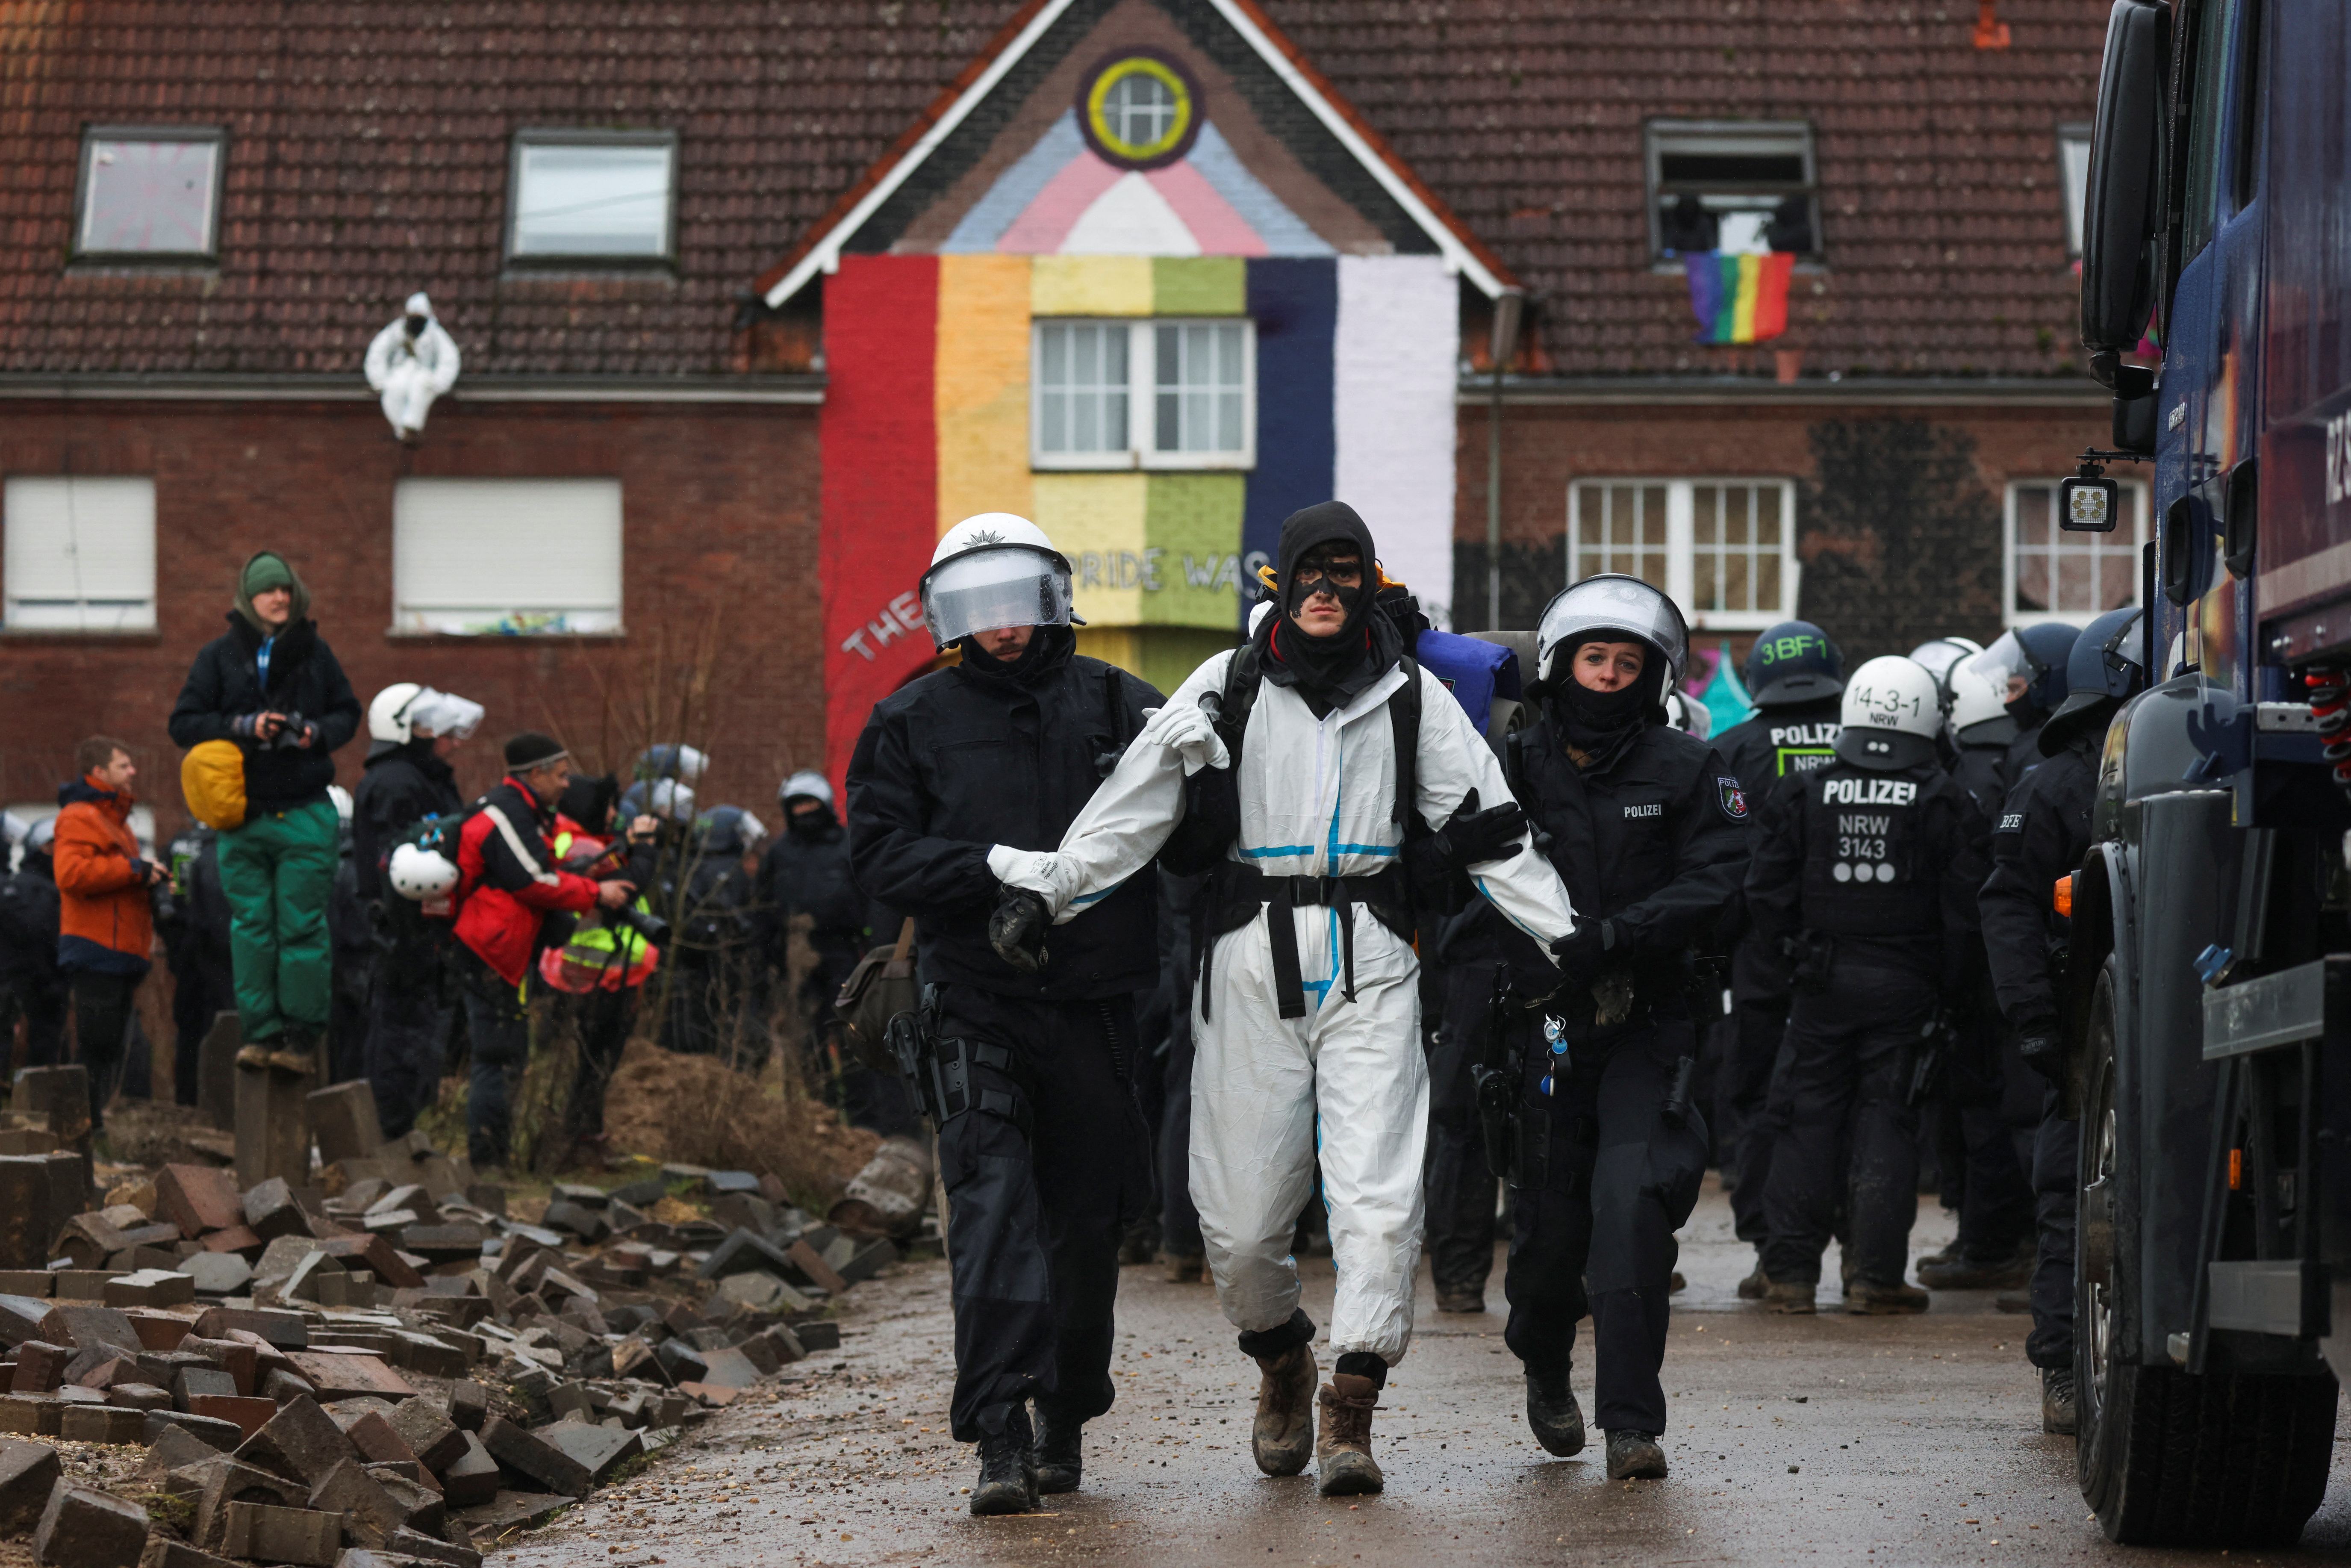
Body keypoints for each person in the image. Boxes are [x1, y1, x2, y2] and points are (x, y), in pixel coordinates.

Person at [987, 502, 1576, 1498]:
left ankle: (1350, 1399)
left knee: (1379, 1199)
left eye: (1345, 575)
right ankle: (1278, 1358)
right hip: (1245, 959)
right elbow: (1135, 803)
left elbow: (1488, 828)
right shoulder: (1224, 687)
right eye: (1311, 572)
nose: (1325, 592)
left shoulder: (1410, 696)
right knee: (1240, 1221)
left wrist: (1566, 939)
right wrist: (1046, 891)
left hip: (1372, 956)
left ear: (1367, 586)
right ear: (1281, 582)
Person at [846, 513, 1163, 1516]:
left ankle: (1065, 1411)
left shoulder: (1118, 703)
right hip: (972, 1000)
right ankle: (997, 1432)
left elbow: (1189, 818)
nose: (1001, 627)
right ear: (949, 616)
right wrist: (986, 872)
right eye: (976, 608)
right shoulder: (910, 719)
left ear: (1048, 598)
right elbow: (880, 853)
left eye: (1015, 602)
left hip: (1097, 1007)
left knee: (1080, 1225)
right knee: (987, 1212)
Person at [1476, 576, 1748, 1481]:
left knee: (1628, 1213)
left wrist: (1619, 936)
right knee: (1549, 1240)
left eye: (1626, 662)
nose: (1607, 674)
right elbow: (1466, 866)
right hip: (1547, 1029)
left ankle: (1631, 1423)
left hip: (1648, 1021)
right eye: (1593, 657)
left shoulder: (1687, 766)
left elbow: (1717, 876)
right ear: (1560, 663)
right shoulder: (1510, 761)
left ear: (1652, 673)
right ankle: (1543, 1362)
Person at [1747, 655, 1990, 1315]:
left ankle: (1791, 1275)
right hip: (1908, 990)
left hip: (1820, 983)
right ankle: (1874, 1279)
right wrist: (1951, 992)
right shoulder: (1945, 799)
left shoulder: (1804, 790)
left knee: (1804, 1122)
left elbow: (1765, 894)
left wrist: (1791, 964)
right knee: (1889, 1123)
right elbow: (1967, 916)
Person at [1978, 606, 2148, 1437]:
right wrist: (2038, 1026)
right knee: (2066, 1197)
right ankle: (2060, 1364)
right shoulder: (2053, 782)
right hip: (2081, 1031)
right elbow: (2008, 908)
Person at [168, 551, 362, 1075]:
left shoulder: (316, 654)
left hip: (303, 810)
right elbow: (183, 722)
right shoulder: (218, 657)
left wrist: (314, 732)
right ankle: (260, 1034)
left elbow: (348, 712)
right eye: (268, 590)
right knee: (251, 927)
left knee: (300, 926)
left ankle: (301, 1038)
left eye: (286, 590)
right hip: (241, 817)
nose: (280, 598)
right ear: (247, 599)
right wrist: (241, 726)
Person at [1707, 619, 1844, 1296]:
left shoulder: (1730, 750)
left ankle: (1774, 1253)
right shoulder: (1872, 744)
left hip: (1759, 961)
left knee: (1761, 1100)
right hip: (1856, 954)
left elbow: (1710, 859)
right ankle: (1863, 1254)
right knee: (1852, 1101)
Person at [449, 733, 636, 1170]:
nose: (567, 784)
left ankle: (496, 1157)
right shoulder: (506, 812)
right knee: (497, 1055)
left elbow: (538, 870)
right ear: (535, 774)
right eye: (561, 774)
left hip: (502, 950)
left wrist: (574, 874)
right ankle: (488, 1163)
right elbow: (532, 880)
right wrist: (595, 891)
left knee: (509, 1052)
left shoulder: (522, 811)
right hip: (490, 951)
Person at [1916, 654, 2038, 1294]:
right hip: (2022, 965)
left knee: (1982, 1109)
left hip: (1979, 972)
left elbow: (1966, 889)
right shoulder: (2023, 761)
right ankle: (1997, 1240)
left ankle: (1990, 1243)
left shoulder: (1960, 774)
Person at [354, 684, 480, 1138]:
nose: (445, 737)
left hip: (427, 931)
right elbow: (399, 860)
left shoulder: (422, 776)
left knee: (421, 1034)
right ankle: (392, 1132)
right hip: (404, 933)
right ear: (405, 729)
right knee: (401, 1035)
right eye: (431, 727)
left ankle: (408, 1128)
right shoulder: (396, 781)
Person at [757, 771, 913, 1135]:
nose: (804, 811)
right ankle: (816, 1120)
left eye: (810, 804)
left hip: (846, 959)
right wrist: (768, 963)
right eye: (797, 806)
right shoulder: (779, 853)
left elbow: (872, 903)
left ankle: (864, 1127)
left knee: (854, 1043)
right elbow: (762, 911)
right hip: (798, 964)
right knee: (806, 1044)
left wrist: (876, 955)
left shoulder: (849, 847)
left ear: (826, 806)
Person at [541, 773, 661, 1165]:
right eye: (608, 806)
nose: (614, 815)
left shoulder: (565, 838)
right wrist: (643, 849)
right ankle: (580, 1141)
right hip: (596, 975)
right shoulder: (582, 845)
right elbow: (627, 887)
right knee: (595, 1063)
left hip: (585, 973)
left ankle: (583, 1136)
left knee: (588, 1063)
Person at [51, 738, 165, 1129]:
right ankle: (76, 1128)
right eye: (123, 765)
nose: (132, 772)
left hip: (119, 952)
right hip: (95, 949)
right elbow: (70, 875)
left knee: (110, 1046)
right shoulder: (79, 816)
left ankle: (91, 1126)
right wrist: (134, 870)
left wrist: (145, 875)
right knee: (96, 1043)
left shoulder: (117, 822)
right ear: (98, 773)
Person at [0, 821, 68, 1067]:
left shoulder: (20, 884)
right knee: (44, 1045)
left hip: (29, 977)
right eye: (52, 844)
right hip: (38, 979)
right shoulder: (39, 888)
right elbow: (37, 932)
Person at [362, 292, 460, 442]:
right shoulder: (395, 332)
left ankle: (412, 426)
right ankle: (401, 430)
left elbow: (449, 358)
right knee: (394, 388)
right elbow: (378, 352)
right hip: (400, 371)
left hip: (425, 372)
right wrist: (379, 381)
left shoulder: (435, 334)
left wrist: (441, 382)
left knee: (421, 387)